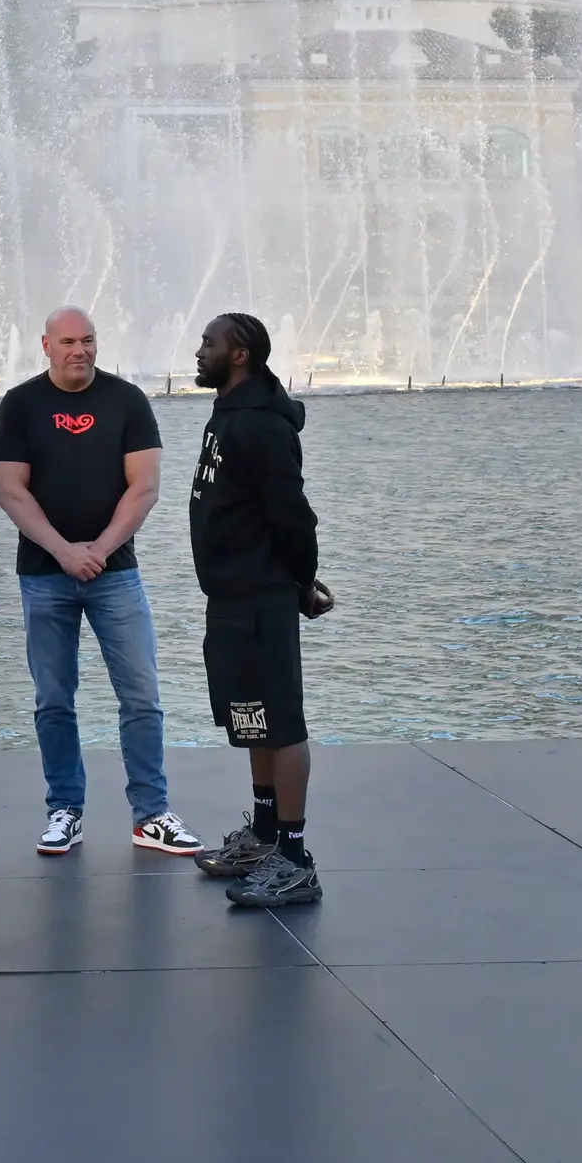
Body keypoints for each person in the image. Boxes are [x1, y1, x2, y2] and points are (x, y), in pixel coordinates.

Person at [0, 305, 204, 858]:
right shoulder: (21, 404)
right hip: (44, 575)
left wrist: (100, 551)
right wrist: (63, 551)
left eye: (87, 340)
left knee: (141, 697)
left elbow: (145, 487)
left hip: (116, 575)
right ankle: (65, 811)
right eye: (67, 342)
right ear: (45, 345)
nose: (78, 350)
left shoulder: (126, 400)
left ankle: (151, 814)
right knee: (54, 699)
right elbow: (12, 490)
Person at [183, 310, 330, 908]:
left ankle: (294, 859)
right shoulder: (229, 414)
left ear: (240, 353)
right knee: (251, 717)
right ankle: (266, 834)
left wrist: (303, 580)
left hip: (262, 596)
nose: (199, 351)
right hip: (231, 596)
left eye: (208, 343)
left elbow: (292, 514)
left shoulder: (264, 428)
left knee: (282, 721)